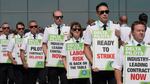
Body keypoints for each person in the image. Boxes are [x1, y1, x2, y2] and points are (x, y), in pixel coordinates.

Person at [84, 2, 120, 84]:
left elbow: (122, 46)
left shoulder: (116, 26)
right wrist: (93, 63)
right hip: (98, 68)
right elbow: (86, 47)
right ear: (97, 13)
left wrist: (120, 38)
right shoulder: (91, 27)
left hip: (113, 67)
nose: (104, 14)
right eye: (102, 12)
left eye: (106, 12)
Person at [42, 9, 70, 84]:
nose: (59, 19)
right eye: (57, 17)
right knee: (53, 81)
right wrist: (48, 56)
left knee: (65, 81)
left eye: (61, 17)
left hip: (64, 62)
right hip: (52, 63)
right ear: (53, 18)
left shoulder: (68, 28)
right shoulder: (48, 29)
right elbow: (44, 44)